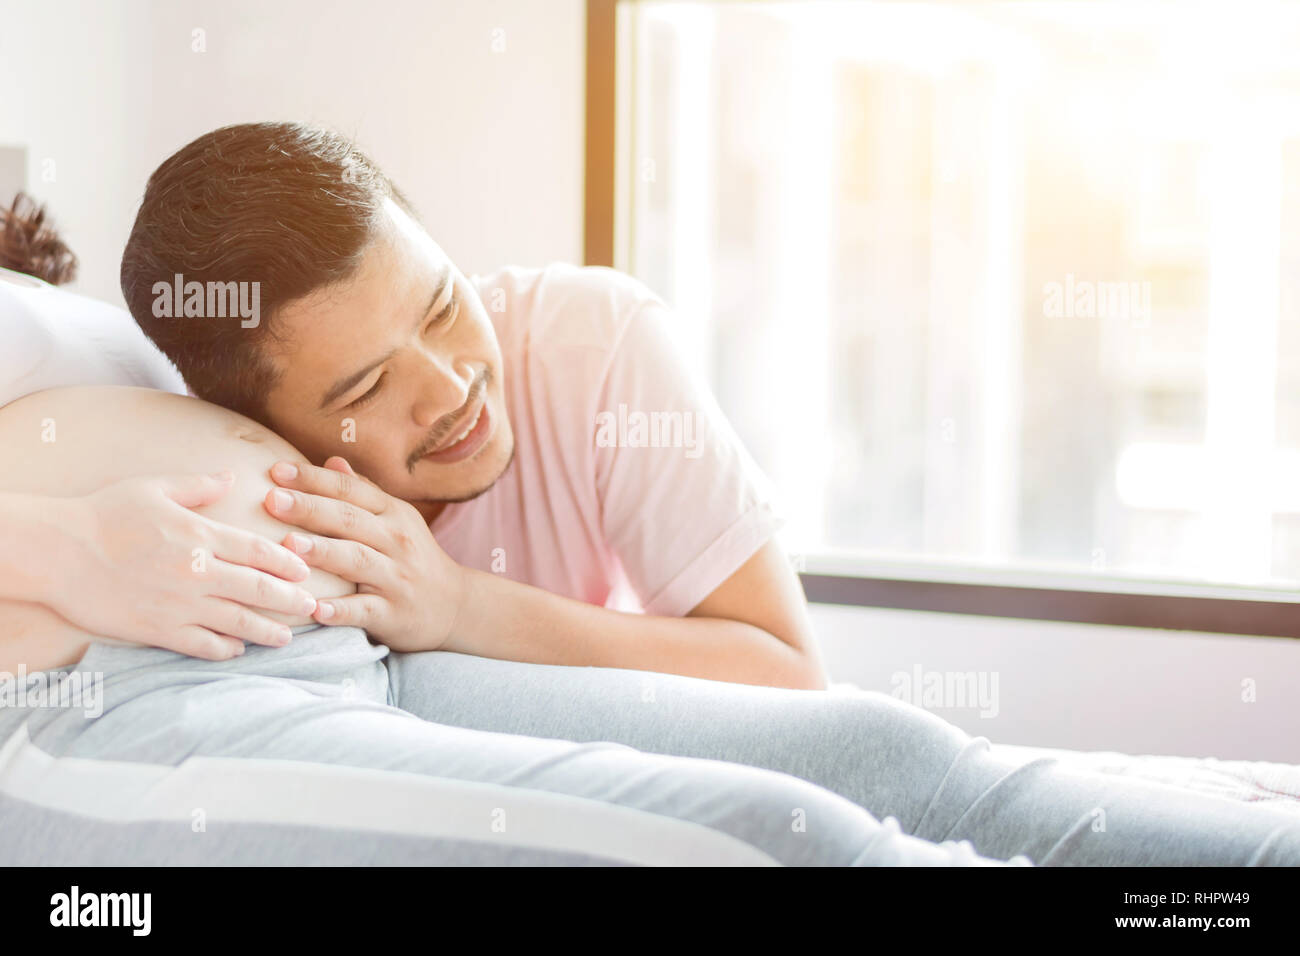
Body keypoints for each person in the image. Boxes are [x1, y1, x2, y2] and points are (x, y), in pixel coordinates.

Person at [3, 170, 1299, 865]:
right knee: (776, 845)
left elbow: (785, 671)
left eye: (446, 311)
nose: (455, 385)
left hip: (348, 659)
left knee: (890, 758)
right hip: (138, 693)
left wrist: (449, 608)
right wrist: (73, 546)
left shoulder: (576, 336)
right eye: (362, 386)